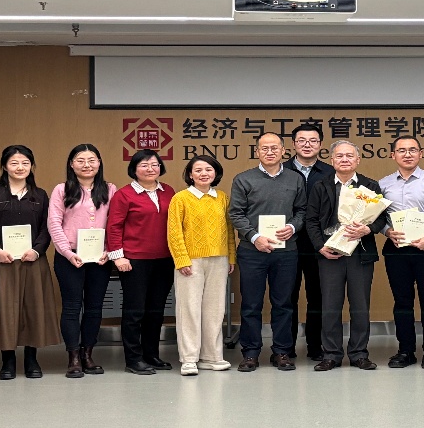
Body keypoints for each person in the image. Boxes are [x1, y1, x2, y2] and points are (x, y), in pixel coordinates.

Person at [0, 144, 61, 380]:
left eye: (25, 163)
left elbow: (47, 228)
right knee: (5, 310)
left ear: (31, 166)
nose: (20, 167)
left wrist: (37, 250)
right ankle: (8, 361)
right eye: (14, 163)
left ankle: (32, 360)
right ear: (4, 166)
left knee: (33, 308)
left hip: (33, 260)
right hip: (2, 261)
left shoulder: (40, 195)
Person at [304, 140, 388, 371]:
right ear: (332, 160)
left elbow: (381, 217)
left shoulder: (370, 185)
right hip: (330, 253)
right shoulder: (321, 186)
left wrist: (367, 229)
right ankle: (331, 354)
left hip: (360, 254)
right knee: (330, 305)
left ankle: (359, 353)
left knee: (360, 305)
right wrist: (320, 246)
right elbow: (311, 220)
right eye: (339, 156)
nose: (344, 159)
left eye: (349, 156)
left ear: (357, 160)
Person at [229, 132, 307, 372]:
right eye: (264, 148)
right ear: (257, 152)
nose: (270, 152)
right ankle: (250, 353)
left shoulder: (295, 179)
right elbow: (235, 214)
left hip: (286, 251)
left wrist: (292, 226)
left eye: (274, 148)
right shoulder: (243, 179)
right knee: (251, 304)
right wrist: (255, 237)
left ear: (283, 151)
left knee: (283, 303)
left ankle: (282, 352)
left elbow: (302, 210)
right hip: (252, 251)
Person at [379, 136, 424, 369]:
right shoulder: (383, 185)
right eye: (402, 150)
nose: (407, 154)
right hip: (396, 249)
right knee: (402, 302)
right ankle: (405, 351)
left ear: (421, 153)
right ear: (393, 155)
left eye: (412, 150)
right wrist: (387, 231)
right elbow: (377, 217)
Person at [47, 144, 117, 378]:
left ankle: (88, 354)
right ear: (71, 164)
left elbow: (115, 223)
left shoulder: (110, 189)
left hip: (100, 258)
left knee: (95, 307)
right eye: (80, 160)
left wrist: (109, 250)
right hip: (70, 256)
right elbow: (54, 223)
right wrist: (68, 253)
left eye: (92, 160)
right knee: (71, 307)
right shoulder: (61, 189)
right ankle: (73, 357)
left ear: (99, 162)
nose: (87, 165)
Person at [107, 149, 176, 375]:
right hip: (134, 260)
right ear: (134, 169)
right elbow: (114, 226)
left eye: (154, 165)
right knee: (134, 311)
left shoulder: (169, 191)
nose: (150, 169)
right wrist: (118, 256)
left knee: (156, 311)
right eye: (144, 165)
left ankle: (151, 355)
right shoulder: (124, 194)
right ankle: (133, 359)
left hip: (164, 260)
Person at [168, 155, 236, 376]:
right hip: (191, 261)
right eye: (198, 170)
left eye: (208, 169)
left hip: (219, 260)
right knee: (189, 309)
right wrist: (181, 259)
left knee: (215, 310)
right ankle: (189, 359)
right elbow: (174, 232)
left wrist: (231, 257)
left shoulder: (222, 198)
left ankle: (211, 356)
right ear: (190, 174)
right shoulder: (180, 198)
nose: (203, 174)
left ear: (216, 173)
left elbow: (229, 230)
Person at [284, 124, 335, 362]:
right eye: (302, 140)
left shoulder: (330, 172)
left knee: (318, 296)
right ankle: (285, 346)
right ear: (293, 144)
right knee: (287, 296)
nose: (307, 144)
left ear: (320, 145)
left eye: (313, 140)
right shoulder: (281, 170)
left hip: (320, 244)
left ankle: (316, 345)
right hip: (287, 243)